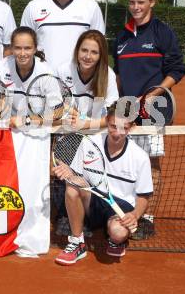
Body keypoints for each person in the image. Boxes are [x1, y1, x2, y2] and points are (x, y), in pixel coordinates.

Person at [112, 0, 185, 238]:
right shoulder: (121, 36)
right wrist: (119, 104)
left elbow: (177, 69)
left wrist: (152, 94)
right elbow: (119, 75)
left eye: (141, 2)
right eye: (132, 2)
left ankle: (146, 217)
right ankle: (124, 210)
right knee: (123, 159)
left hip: (155, 107)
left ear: (151, 2)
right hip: (126, 106)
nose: (136, 7)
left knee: (150, 163)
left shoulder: (162, 32)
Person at [53, 102, 153, 265]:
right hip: (93, 197)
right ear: (106, 121)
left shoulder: (140, 157)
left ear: (131, 127)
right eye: (113, 126)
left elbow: (144, 196)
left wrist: (134, 215)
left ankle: (115, 238)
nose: (117, 133)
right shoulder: (90, 142)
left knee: (118, 232)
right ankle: (77, 242)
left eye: (124, 128)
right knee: (72, 186)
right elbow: (75, 174)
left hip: (120, 205)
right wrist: (66, 172)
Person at [53, 30, 119, 236]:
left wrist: (86, 123)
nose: (87, 56)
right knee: (60, 172)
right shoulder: (64, 70)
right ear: (77, 51)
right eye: (84, 50)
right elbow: (55, 103)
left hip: (96, 136)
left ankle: (91, 218)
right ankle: (65, 214)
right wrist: (69, 111)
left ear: (101, 56)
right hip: (68, 135)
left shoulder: (108, 76)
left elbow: (111, 116)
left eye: (94, 52)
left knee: (90, 177)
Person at [0, 26, 54, 128]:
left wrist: (26, 121)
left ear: (35, 49)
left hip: (39, 130)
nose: (22, 53)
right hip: (11, 128)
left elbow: (58, 113)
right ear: (12, 48)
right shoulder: (1, 67)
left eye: (27, 48)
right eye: (18, 48)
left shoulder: (46, 71)